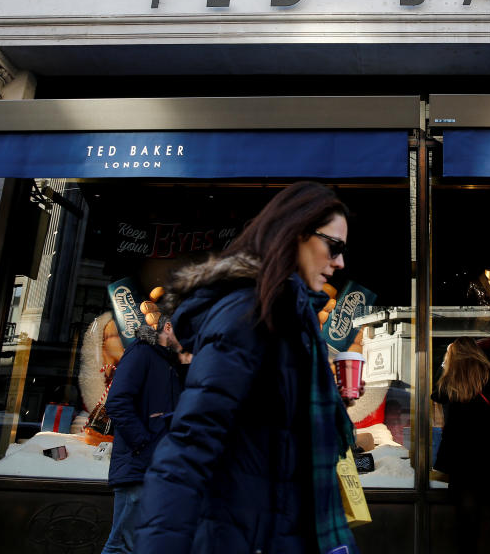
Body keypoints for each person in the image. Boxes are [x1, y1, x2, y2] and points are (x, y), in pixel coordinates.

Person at [136, 181, 359, 554]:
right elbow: (189, 447)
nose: (340, 263)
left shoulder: (290, 314)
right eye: (333, 247)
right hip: (249, 536)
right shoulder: (249, 314)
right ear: (295, 234)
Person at [101, 314, 188, 554]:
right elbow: (117, 402)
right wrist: (144, 443)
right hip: (139, 467)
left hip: (158, 468)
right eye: (187, 331)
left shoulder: (171, 362)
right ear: (168, 327)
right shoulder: (142, 352)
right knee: (123, 546)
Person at [432, 337, 490, 554]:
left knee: (467, 527)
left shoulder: (450, 383)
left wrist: (445, 365)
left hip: (465, 463)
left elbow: (435, 396)